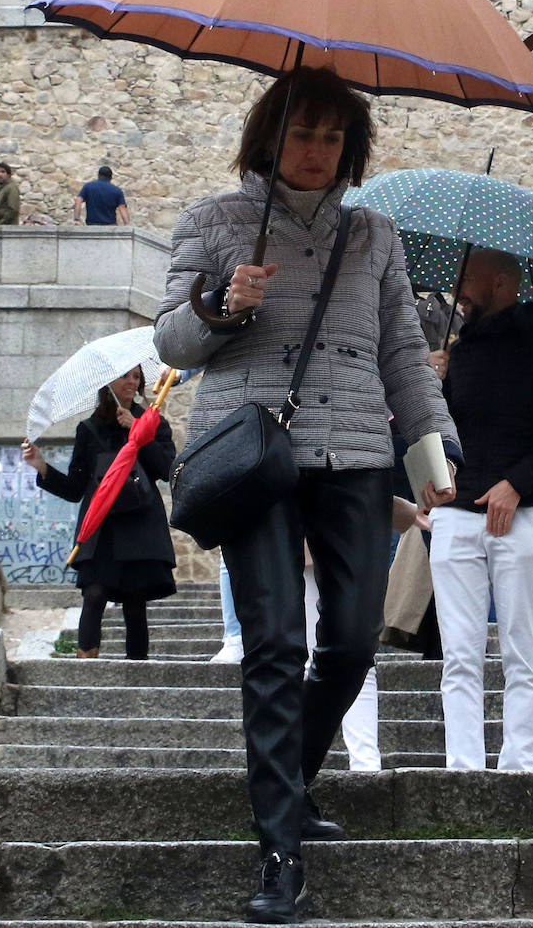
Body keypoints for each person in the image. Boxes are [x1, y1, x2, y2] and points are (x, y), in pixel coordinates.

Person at [152, 65, 460, 924]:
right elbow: (171, 339)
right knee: (276, 642)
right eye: (302, 133)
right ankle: (278, 849)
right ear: (269, 136)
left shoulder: (376, 237)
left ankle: (287, 785)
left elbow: (403, 350)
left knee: (356, 640)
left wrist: (433, 454)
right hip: (254, 456)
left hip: (358, 454)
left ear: (350, 148)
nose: (317, 150)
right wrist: (221, 303)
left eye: (332, 136)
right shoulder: (215, 223)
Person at [426, 247, 533, 771]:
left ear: (500, 282)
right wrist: (433, 391)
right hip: (455, 514)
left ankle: (519, 768)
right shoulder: (460, 353)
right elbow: (436, 434)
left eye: (466, 279)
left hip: (522, 518)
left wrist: (516, 485)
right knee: (458, 656)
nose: (457, 290)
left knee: (522, 652)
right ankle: (463, 770)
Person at [20, 366, 176, 659]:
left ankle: (137, 673)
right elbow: (74, 488)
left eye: (136, 377)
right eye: (125, 376)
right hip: (101, 525)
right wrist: (41, 465)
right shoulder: (89, 429)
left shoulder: (153, 421)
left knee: (134, 602)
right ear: (107, 383)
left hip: (139, 524)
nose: (132, 382)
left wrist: (138, 431)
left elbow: (166, 470)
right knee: (94, 594)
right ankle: (85, 666)